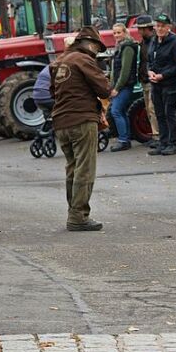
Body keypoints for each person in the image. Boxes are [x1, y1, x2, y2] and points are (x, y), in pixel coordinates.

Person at [50, 27, 111, 230]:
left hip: (61, 121)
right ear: (90, 44)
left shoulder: (59, 62)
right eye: (96, 47)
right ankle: (78, 217)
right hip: (81, 119)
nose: (96, 51)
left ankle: (74, 212)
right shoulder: (83, 60)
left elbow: (53, 91)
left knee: (72, 168)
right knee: (85, 169)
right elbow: (104, 89)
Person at [146, 13, 176, 156]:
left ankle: (172, 144)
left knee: (169, 114)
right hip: (155, 83)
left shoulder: (174, 41)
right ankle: (163, 142)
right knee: (159, 114)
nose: (160, 29)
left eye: (163, 26)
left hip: (168, 83)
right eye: (158, 26)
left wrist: (163, 75)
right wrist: (150, 72)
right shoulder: (154, 40)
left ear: (168, 27)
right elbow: (149, 60)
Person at [108, 22, 139, 152]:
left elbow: (125, 71)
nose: (116, 35)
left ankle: (123, 140)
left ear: (125, 32)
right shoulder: (120, 46)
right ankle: (125, 137)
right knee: (121, 111)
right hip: (121, 85)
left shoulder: (127, 47)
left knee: (115, 111)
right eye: (114, 33)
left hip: (124, 85)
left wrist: (117, 88)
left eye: (119, 32)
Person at [132, 14, 158, 148]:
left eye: (141, 29)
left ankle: (157, 136)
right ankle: (155, 134)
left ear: (147, 28)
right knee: (149, 109)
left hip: (151, 80)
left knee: (153, 109)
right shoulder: (144, 42)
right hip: (144, 80)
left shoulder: (154, 42)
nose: (138, 31)